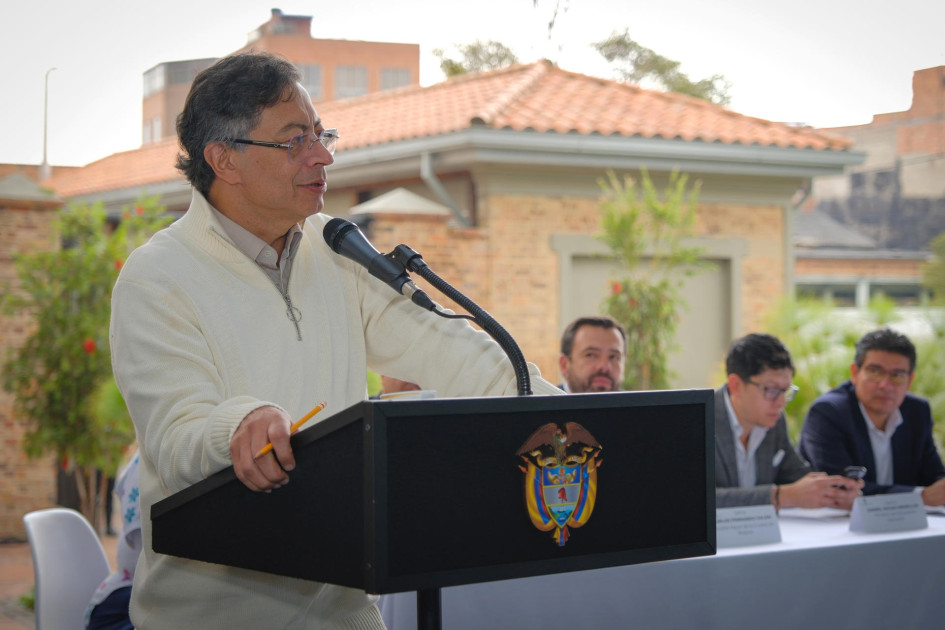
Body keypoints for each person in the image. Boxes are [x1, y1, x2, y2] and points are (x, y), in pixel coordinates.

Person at [108, 51, 562, 629]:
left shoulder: (335, 247)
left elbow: (456, 352)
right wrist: (239, 428)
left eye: (321, 134)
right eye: (295, 140)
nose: (322, 155)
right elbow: (176, 433)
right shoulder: (157, 276)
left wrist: (564, 415)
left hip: (346, 613)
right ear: (224, 159)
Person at [715, 333, 863, 509]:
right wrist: (778, 497)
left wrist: (836, 493)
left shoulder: (774, 421)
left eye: (785, 390)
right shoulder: (698, 422)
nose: (781, 402)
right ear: (736, 385)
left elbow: (796, 475)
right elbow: (695, 499)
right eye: (771, 390)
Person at [799, 328, 945, 505]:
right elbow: (840, 488)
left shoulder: (917, 412)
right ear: (854, 373)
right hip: (838, 524)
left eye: (897, 375)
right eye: (875, 372)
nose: (885, 385)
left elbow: (934, 476)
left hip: (905, 523)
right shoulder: (828, 413)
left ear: (909, 381)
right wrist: (921, 497)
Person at [86, 452, 140, 630]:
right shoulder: (147, 465)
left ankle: (108, 524)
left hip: (130, 595)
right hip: (121, 606)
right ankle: (107, 524)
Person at [558, 315, 627, 393]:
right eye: (590, 355)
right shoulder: (545, 404)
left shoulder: (636, 404)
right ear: (564, 364)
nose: (604, 367)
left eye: (613, 357)